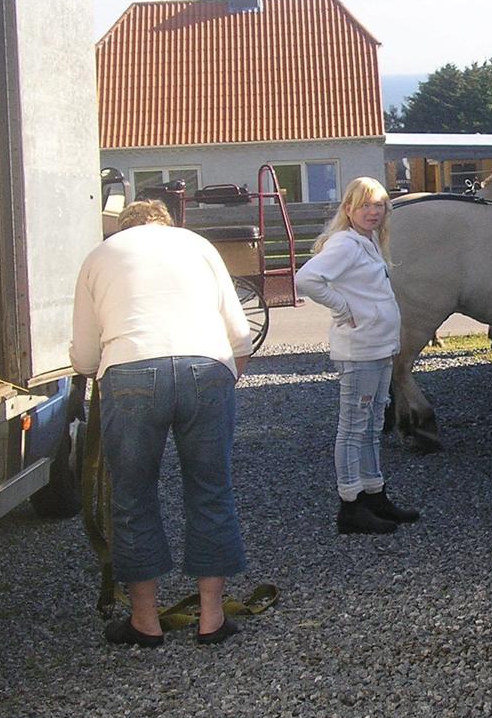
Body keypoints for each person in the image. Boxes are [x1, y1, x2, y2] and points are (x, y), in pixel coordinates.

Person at [70, 199, 252, 647]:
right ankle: (211, 618)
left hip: (130, 371)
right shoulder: (199, 246)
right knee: (211, 490)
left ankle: (145, 622)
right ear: (167, 223)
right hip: (206, 367)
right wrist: (223, 376)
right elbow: (240, 335)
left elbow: (85, 356)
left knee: (133, 497)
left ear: (124, 227)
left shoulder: (99, 256)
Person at [295, 177, 420, 535]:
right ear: (348, 209)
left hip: (379, 347)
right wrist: (342, 308)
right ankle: (350, 506)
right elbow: (307, 279)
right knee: (353, 427)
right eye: (365, 205)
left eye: (379, 205)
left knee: (372, 425)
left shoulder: (368, 243)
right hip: (360, 350)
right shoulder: (346, 244)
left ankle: (374, 494)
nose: (372, 212)